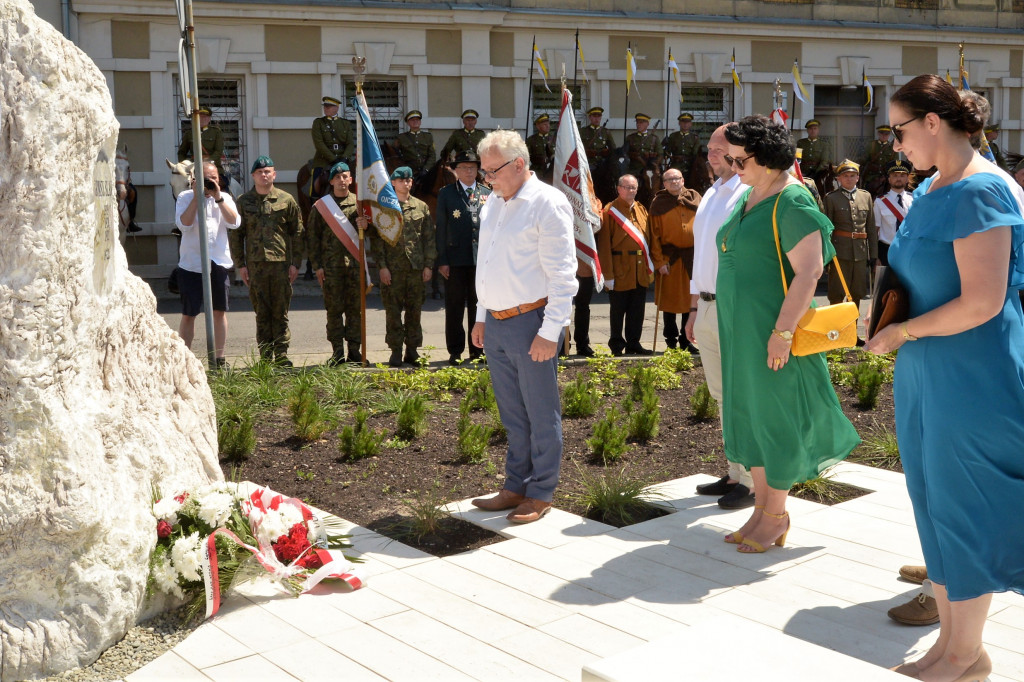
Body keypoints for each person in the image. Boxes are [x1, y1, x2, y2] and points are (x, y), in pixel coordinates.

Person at [866, 73, 1024, 682]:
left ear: (934, 122)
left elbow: (982, 301)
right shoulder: (933, 187)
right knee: (931, 498)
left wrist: (902, 331)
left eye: (899, 130)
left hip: (972, 367)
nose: (895, 144)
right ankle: (951, 647)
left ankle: (966, 655)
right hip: (927, 364)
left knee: (967, 504)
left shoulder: (983, 190)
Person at [717, 115, 860, 554]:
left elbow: (810, 271)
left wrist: (781, 332)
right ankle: (762, 510)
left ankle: (776, 514)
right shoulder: (750, 195)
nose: (731, 164)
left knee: (775, 420)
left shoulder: (792, 201)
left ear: (765, 157)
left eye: (738, 158)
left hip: (773, 331)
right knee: (751, 417)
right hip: (740, 331)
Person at [470, 130, 578, 524]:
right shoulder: (495, 203)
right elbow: (488, 263)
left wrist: (551, 332)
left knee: (540, 411)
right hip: (498, 324)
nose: (487, 179)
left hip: (533, 322)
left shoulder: (547, 204)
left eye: (492, 171)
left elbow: (563, 275)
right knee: (513, 413)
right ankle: (515, 484)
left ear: (519, 164)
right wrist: (482, 317)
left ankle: (541, 490)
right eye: (484, 172)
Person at [684, 124, 757, 510]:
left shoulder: (748, 192)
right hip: (709, 304)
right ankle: (734, 471)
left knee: (741, 393)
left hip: (735, 305)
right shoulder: (713, 191)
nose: (711, 153)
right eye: (709, 147)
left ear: (739, 152)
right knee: (721, 394)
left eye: (719, 147)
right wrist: (694, 308)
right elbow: (701, 257)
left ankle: (751, 481)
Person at [228, 155, 304, 366]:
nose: (264, 175)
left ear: (274, 174)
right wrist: (240, 265)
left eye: (268, 171)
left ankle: (281, 354)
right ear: (253, 176)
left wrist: (295, 263)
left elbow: (297, 233)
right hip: (255, 266)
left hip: (281, 265)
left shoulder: (286, 200)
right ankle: (265, 357)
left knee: (280, 311)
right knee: (262, 312)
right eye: (260, 172)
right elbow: (237, 235)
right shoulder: (243, 202)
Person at [173, 161, 240, 368]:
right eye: (207, 179)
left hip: (217, 262)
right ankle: (185, 360)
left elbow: (235, 222)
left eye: (215, 178)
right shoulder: (184, 197)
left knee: (219, 312)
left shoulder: (225, 198)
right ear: (195, 180)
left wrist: (218, 197)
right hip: (192, 264)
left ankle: (219, 359)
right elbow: (183, 224)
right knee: (189, 313)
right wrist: (196, 196)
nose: (211, 182)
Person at [370, 166, 436, 368]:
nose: (405, 183)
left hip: (415, 268)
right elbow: (378, 241)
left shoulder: (421, 207)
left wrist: (428, 265)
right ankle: (396, 351)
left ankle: (412, 350)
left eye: (408, 180)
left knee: (414, 311)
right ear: (393, 183)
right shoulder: (385, 208)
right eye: (401, 180)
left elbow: (428, 239)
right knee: (393, 312)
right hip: (393, 268)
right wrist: (381, 266)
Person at [306, 162, 366, 366]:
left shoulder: (360, 204)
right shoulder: (322, 207)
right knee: (334, 310)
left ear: (351, 179)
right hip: (331, 268)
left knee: (354, 311)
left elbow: (372, 236)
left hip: (354, 267)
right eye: (338, 177)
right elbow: (312, 238)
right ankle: (337, 351)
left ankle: (355, 350)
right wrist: (317, 266)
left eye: (346, 176)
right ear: (331, 181)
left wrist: (366, 226)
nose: (342, 180)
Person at [435, 150, 490, 365]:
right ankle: (455, 350)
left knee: (480, 307)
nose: (469, 171)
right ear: (456, 171)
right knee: (455, 307)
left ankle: (478, 350)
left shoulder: (487, 193)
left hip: (481, 261)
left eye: (473, 168)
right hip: (455, 260)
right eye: (464, 168)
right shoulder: (447, 193)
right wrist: (442, 260)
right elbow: (441, 229)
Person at [597, 174, 654, 356]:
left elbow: (648, 239)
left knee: (637, 310)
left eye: (634, 188)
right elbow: (604, 246)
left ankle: (633, 343)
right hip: (620, 268)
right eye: (627, 187)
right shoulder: (610, 211)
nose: (631, 191)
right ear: (619, 188)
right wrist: (608, 275)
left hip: (639, 269)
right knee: (618, 310)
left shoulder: (641, 209)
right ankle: (616, 344)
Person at [649, 167, 701, 353]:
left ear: (683, 180)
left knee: (691, 300)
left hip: (692, 257)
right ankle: (670, 341)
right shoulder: (659, 202)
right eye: (669, 180)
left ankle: (687, 341)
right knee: (669, 302)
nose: (673, 182)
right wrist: (659, 262)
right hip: (669, 258)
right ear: (664, 183)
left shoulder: (695, 197)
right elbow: (653, 236)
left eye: (676, 179)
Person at [823, 159, 877, 319]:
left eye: (852, 175)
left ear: (858, 178)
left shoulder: (865, 197)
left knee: (857, 293)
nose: (849, 178)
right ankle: (837, 332)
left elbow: (871, 229)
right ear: (838, 179)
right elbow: (827, 230)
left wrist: (873, 255)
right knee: (837, 293)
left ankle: (852, 333)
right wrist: (826, 256)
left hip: (860, 254)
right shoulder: (831, 198)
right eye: (845, 175)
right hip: (839, 254)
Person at [872, 159, 913, 268]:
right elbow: (875, 230)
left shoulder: (914, 200)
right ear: (889, 179)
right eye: (894, 175)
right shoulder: (880, 201)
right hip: (886, 250)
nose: (898, 178)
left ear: (907, 179)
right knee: (887, 284)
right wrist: (875, 256)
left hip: (909, 249)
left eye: (902, 175)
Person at [311, 96, 354, 194]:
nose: (326, 109)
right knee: (316, 182)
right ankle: (314, 202)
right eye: (325, 106)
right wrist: (333, 159)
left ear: (336, 108)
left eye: (329, 107)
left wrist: (345, 158)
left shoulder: (345, 123)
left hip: (343, 159)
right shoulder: (318, 123)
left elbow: (350, 143)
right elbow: (319, 143)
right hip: (324, 160)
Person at [177, 107, 225, 179]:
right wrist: (185, 165)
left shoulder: (216, 132)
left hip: (212, 167)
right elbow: (181, 152)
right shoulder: (189, 133)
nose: (202, 119)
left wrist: (207, 162)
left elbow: (218, 151)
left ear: (209, 119)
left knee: (223, 186)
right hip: (194, 168)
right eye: (200, 117)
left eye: (205, 117)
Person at [394, 110, 436, 179]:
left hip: (427, 172)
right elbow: (395, 155)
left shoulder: (428, 136)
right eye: (412, 120)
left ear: (420, 122)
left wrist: (426, 169)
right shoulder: (401, 138)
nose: (415, 122)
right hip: (409, 172)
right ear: (408, 122)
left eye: (417, 120)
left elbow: (432, 155)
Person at [859, 125, 898, 196]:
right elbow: (863, 160)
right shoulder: (872, 145)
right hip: (871, 177)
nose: (884, 136)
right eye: (882, 133)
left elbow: (894, 164)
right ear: (878, 134)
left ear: (889, 135)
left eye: (886, 134)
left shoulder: (892, 148)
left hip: (886, 177)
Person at [796, 119, 833, 186]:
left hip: (818, 173)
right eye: (810, 129)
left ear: (818, 130)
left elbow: (824, 161)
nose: (813, 131)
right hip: (803, 172)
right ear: (807, 130)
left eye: (815, 129)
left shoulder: (824, 144)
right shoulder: (801, 143)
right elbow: (798, 159)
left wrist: (816, 172)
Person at [664, 113, 701, 178]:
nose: (685, 124)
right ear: (679, 123)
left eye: (687, 122)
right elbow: (667, 151)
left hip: (690, 165)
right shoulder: (673, 136)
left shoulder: (695, 138)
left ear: (690, 124)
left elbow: (696, 154)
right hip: (676, 165)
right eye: (683, 122)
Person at [625, 113, 662, 178]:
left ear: (647, 124)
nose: (638, 125)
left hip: (650, 168)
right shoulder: (630, 138)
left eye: (641, 123)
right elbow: (625, 153)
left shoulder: (654, 138)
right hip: (634, 168)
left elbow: (660, 154)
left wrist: (655, 164)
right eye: (637, 122)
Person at [580, 106, 616, 171]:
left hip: (602, 163)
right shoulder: (583, 131)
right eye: (594, 116)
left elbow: (613, 149)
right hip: (587, 163)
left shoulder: (606, 132)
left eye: (599, 116)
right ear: (590, 117)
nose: (597, 119)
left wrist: (607, 152)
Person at [526, 113, 555, 184]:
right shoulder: (531, 140)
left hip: (551, 172)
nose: (547, 126)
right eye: (545, 125)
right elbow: (525, 156)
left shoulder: (555, 139)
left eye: (548, 124)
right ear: (538, 126)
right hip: (537, 171)